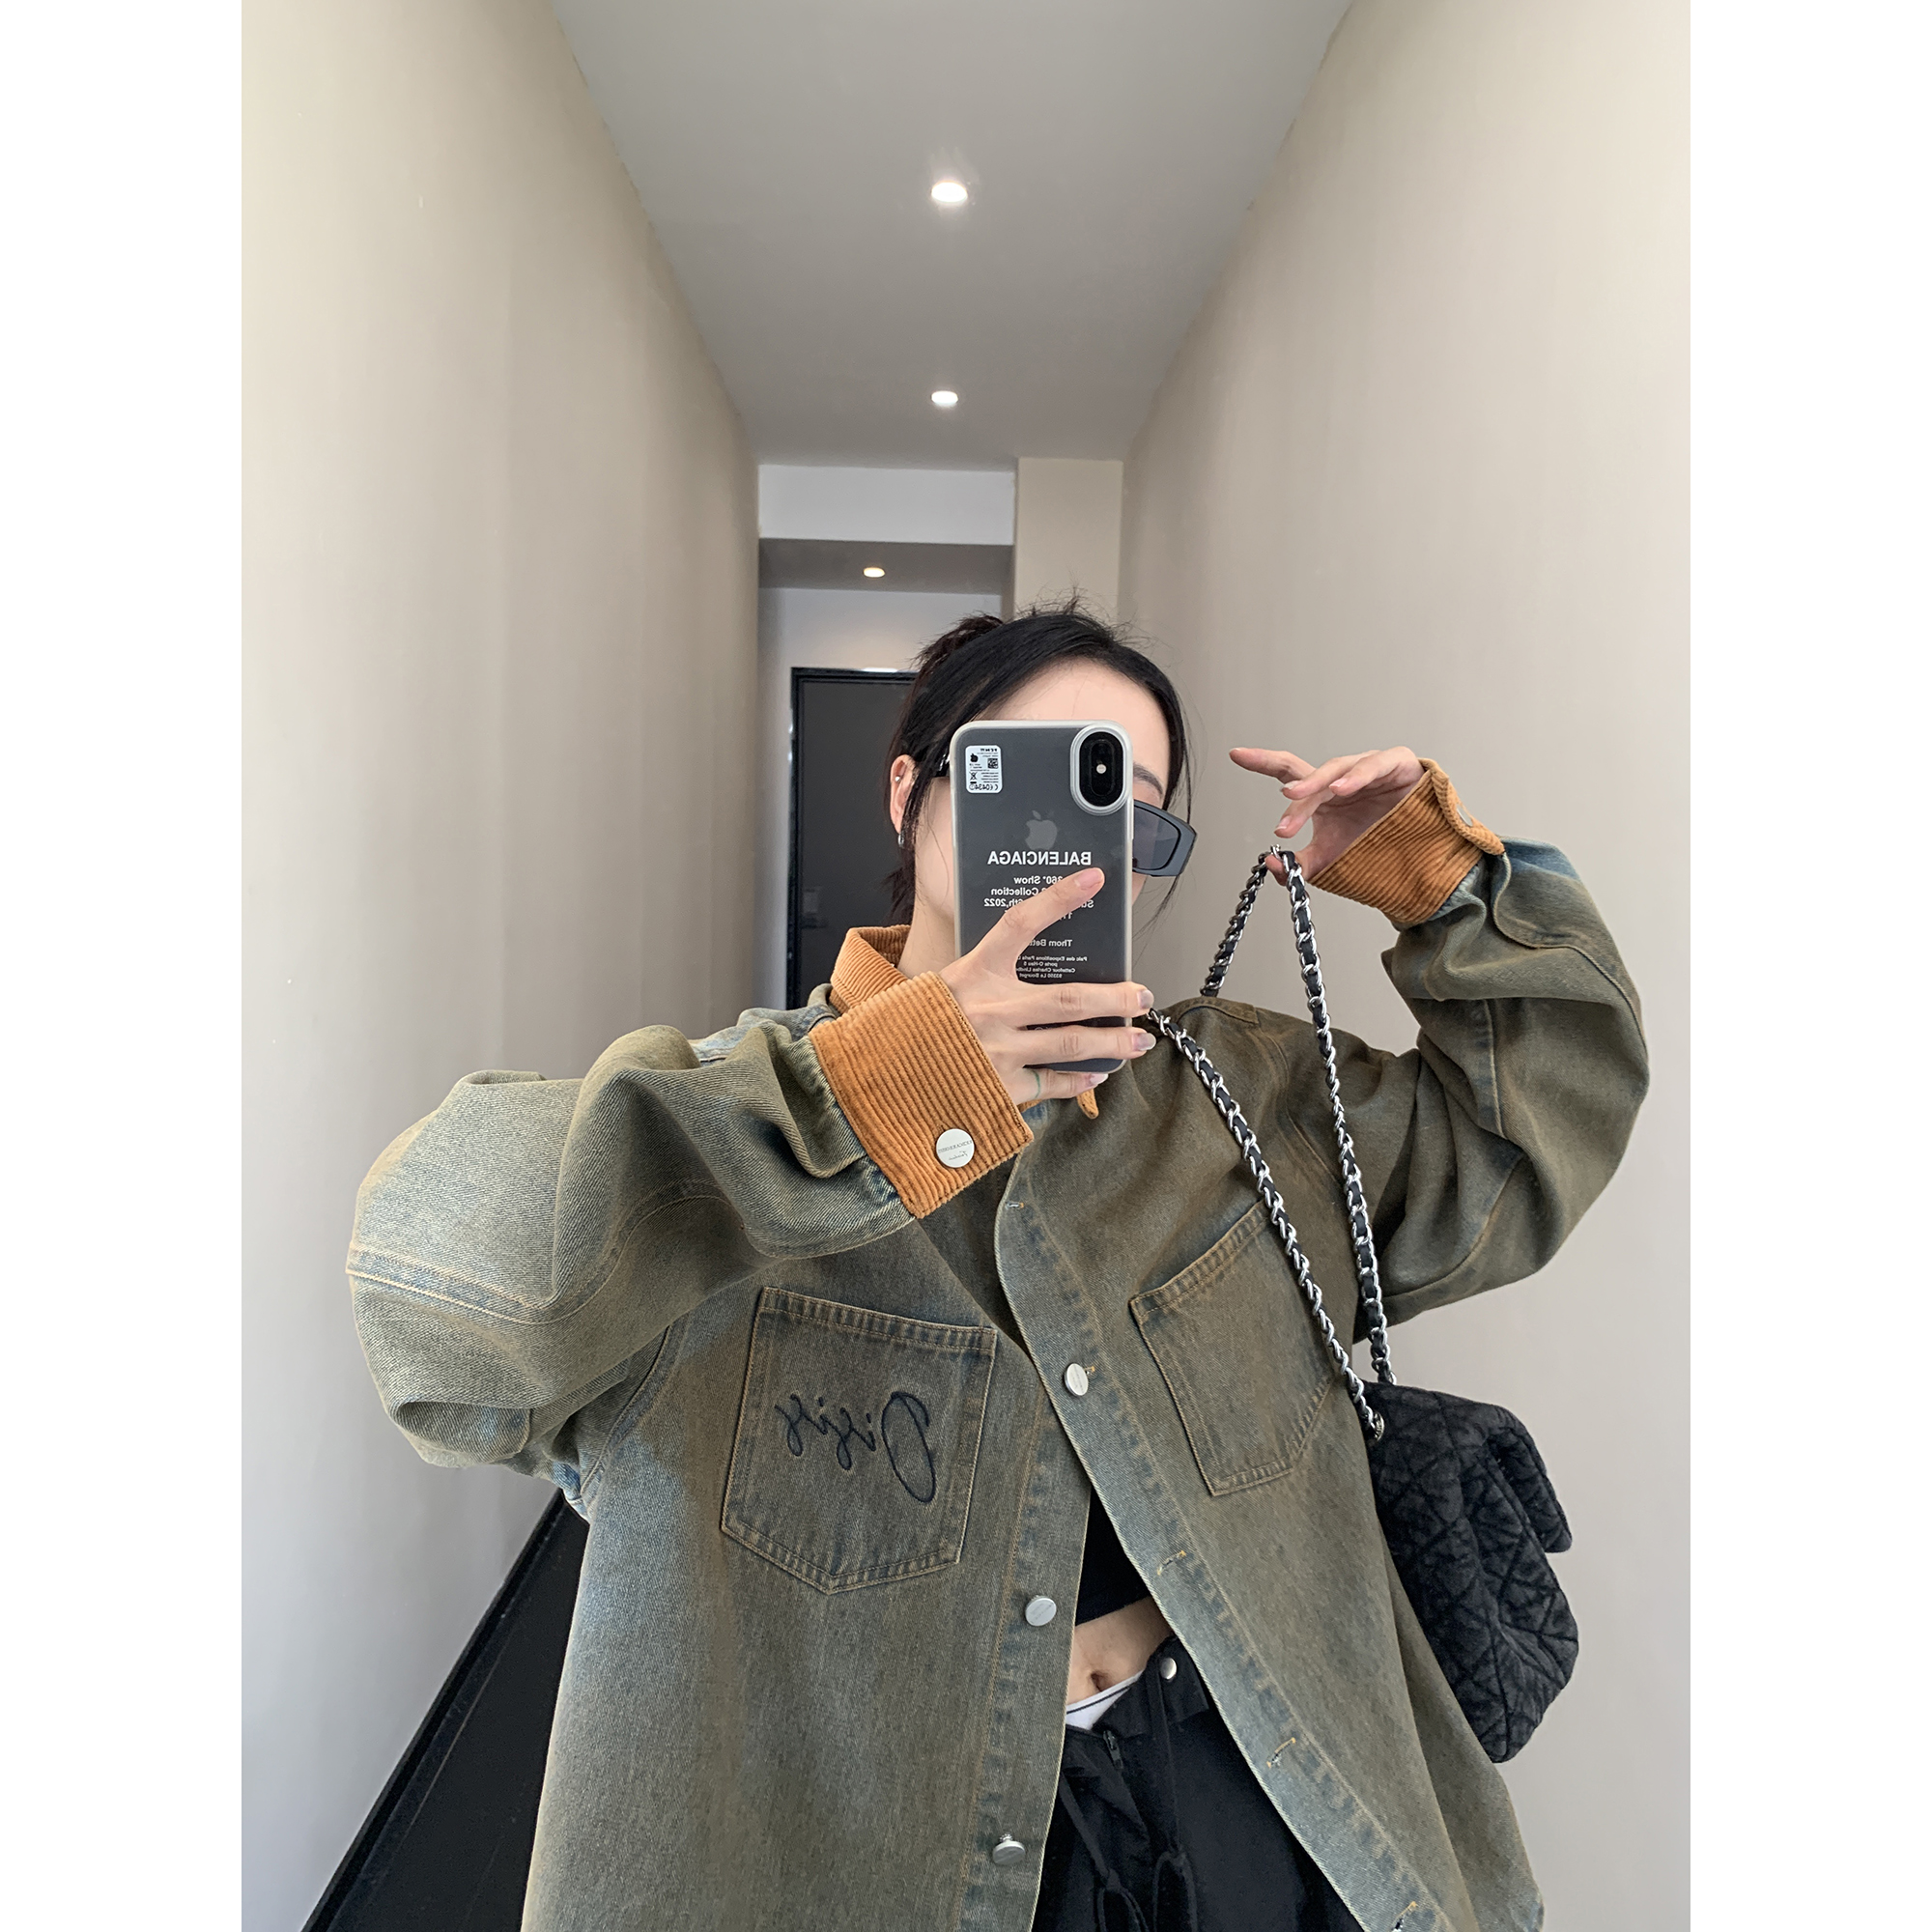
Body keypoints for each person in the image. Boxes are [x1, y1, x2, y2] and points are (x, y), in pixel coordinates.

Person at [349, 605, 1647, 1932]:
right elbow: (427, 1290)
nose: (1076, 842)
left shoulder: (1236, 1101)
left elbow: (1530, 1135)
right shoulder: (731, 1128)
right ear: (908, 796)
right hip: (878, 1859)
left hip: (1256, 1800)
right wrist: (879, 1094)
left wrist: (1434, 876)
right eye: (1020, 773)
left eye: (1126, 809)